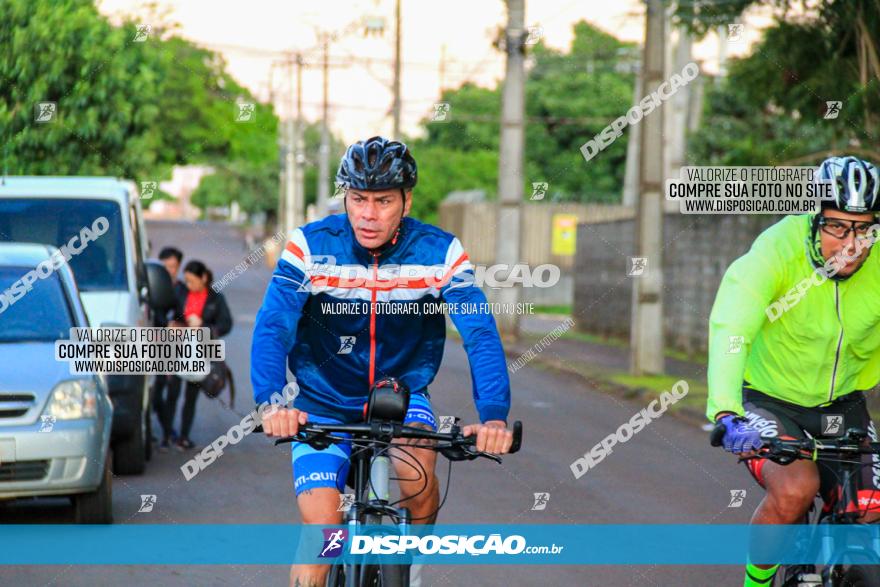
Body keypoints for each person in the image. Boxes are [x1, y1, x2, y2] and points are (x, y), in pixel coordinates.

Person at [251, 136, 514, 586]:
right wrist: (272, 403)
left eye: (383, 201)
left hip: (401, 396)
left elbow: (480, 334)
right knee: (322, 536)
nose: (368, 215)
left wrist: (493, 417)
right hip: (322, 402)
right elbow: (274, 325)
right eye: (358, 199)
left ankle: (406, 571)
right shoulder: (309, 247)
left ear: (406, 201)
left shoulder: (440, 253)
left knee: (418, 487)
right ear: (346, 198)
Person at [707, 156, 880, 586]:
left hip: (842, 405)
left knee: (871, 503)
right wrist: (727, 413)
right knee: (794, 490)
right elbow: (732, 330)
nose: (851, 243)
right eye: (837, 227)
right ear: (814, 218)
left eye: (863, 228)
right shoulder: (776, 250)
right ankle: (757, 581)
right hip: (769, 401)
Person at [163, 260, 232, 450]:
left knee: (190, 397)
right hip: (177, 350)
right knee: (172, 393)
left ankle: (184, 436)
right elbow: (169, 314)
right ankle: (167, 435)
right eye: (186, 281)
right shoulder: (180, 293)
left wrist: (203, 326)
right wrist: (174, 324)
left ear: (203, 278)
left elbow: (226, 324)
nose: (189, 285)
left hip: (200, 353)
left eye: (192, 281)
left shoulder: (215, 298)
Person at [153, 247, 188, 450]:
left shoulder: (183, 291)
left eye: (173, 267)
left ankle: (170, 434)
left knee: (174, 393)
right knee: (156, 394)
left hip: (178, 350)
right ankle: (165, 430)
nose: (170, 271)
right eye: (165, 267)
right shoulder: (152, 287)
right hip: (155, 349)